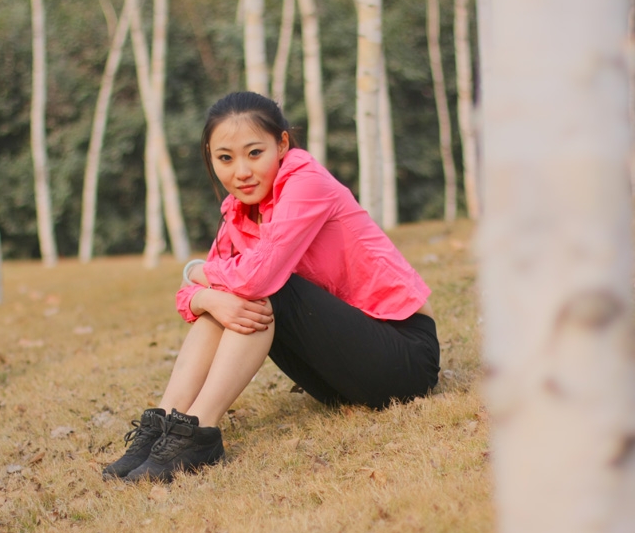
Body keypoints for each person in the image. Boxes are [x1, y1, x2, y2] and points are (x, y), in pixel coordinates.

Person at [103, 92, 439, 483]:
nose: (241, 172)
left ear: (281, 144)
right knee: (229, 295)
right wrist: (206, 294)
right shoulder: (237, 210)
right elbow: (195, 293)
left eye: (254, 153)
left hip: (404, 357)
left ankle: (199, 431)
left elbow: (257, 279)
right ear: (211, 157)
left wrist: (197, 274)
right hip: (339, 376)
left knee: (262, 287)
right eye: (225, 158)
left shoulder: (307, 183)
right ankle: (164, 423)